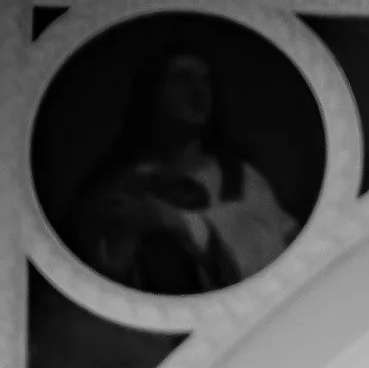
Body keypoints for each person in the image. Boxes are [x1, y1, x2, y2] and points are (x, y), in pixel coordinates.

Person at [64, 42, 300, 296]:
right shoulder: (118, 185)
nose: (198, 92)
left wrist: (175, 221)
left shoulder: (240, 178)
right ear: (152, 93)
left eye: (205, 82)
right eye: (181, 79)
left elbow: (272, 254)